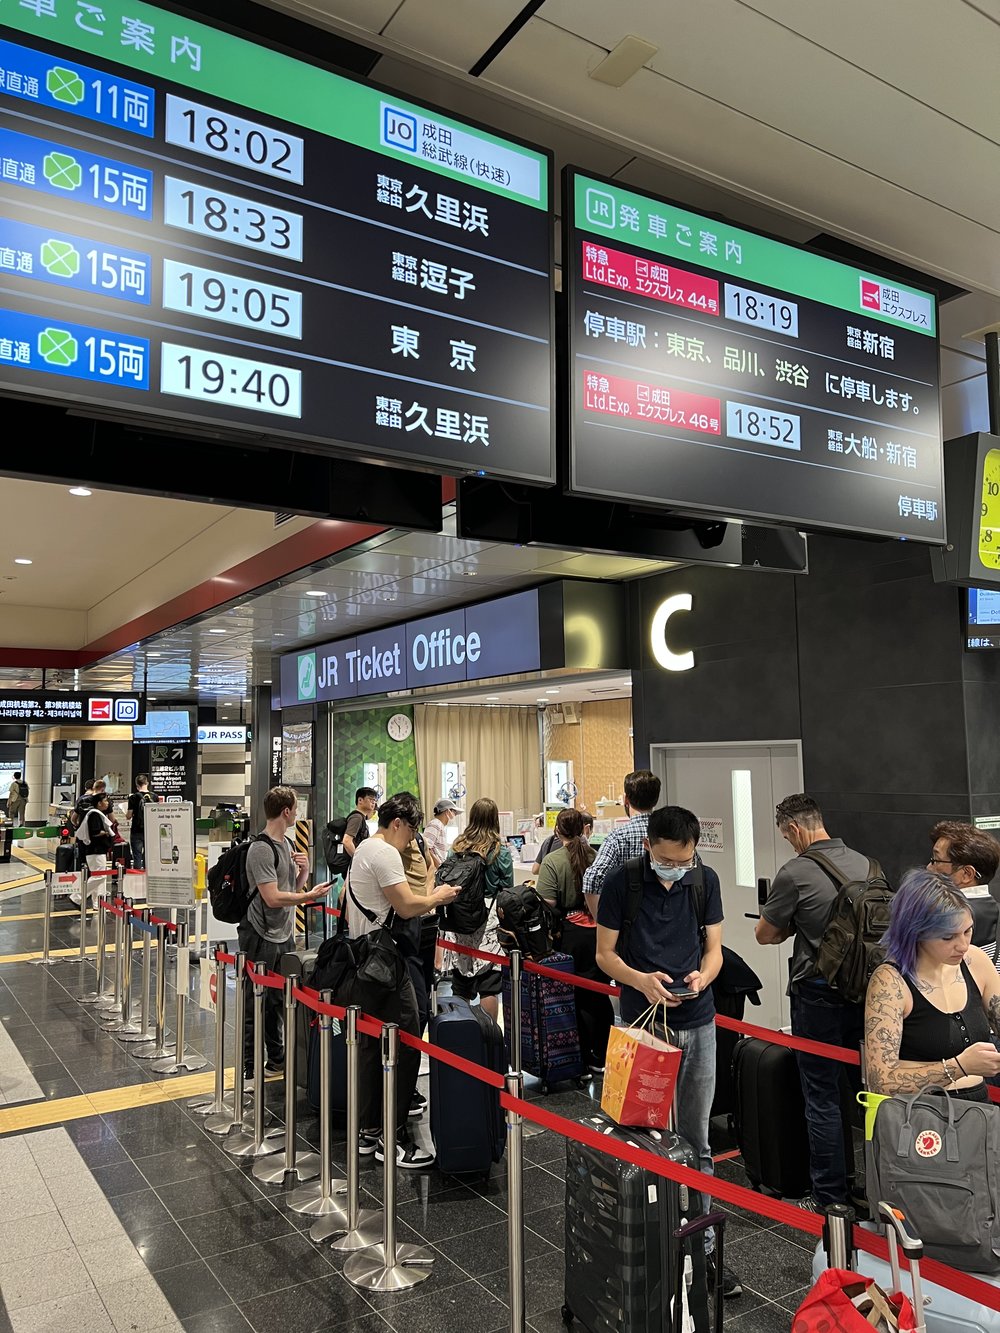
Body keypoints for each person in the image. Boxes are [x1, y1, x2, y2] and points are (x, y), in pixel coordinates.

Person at [595, 805, 741, 1298]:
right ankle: (645, 1238)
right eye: (665, 860)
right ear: (648, 848)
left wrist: (705, 975)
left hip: (697, 1021)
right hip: (641, 1025)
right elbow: (604, 955)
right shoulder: (623, 884)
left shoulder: (704, 881)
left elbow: (715, 949)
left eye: (683, 861)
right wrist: (640, 980)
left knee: (698, 1141)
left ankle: (704, 1251)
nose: (674, 869)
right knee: (641, 1136)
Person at [755, 793, 873, 1211]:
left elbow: (765, 934)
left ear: (793, 828)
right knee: (868, 1094)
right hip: (870, 994)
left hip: (819, 993)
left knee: (822, 1094)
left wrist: (796, 928)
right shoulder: (868, 865)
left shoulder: (795, 872)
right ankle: (874, 1190)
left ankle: (829, 1198)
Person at [348, 792, 459, 1167]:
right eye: (411, 830)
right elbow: (407, 905)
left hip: (366, 958)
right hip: (387, 962)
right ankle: (390, 1139)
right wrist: (438, 896)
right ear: (398, 823)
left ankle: (368, 1132)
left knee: (370, 1045)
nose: (412, 839)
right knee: (408, 1040)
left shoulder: (364, 849)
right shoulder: (384, 853)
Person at [865, 869, 1000, 1099]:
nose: (963, 945)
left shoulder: (975, 961)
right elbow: (881, 1080)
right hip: (920, 1116)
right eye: (948, 937)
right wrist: (959, 1066)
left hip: (978, 1112)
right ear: (915, 933)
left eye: (967, 931)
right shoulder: (890, 983)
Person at [238, 786, 331, 1086]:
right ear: (287, 811)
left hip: (282, 933)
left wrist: (302, 874)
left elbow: (289, 888)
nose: (297, 814)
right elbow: (272, 898)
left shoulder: (287, 843)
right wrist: (309, 896)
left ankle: (276, 1058)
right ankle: (250, 1067)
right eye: (295, 809)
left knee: (278, 1000)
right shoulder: (261, 848)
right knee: (257, 1001)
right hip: (260, 935)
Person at [535, 807, 612, 1072]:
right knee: (600, 994)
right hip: (599, 933)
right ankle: (603, 1054)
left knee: (575, 996)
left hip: (570, 935)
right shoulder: (598, 856)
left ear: (557, 831)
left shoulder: (553, 861)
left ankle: (584, 1054)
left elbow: (547, 903)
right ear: (584, 829)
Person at [448, 797, 514, 1021]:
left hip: (460, 916)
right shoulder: (499, 850)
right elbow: (507, 888)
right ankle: (489, 1035)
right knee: (489, 985)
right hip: (489, 918)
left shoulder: (457, 846)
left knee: (461, 981)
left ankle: (461, 1033)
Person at [583, 770, 661, 919]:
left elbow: (592, 879)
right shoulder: (670, 834)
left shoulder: (618, 837)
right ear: (655, 800)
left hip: (629, 923)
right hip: (668, 923)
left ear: (626, 800)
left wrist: (603, 923)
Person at [927, 821, 1000, 963]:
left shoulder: (940, 916)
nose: (929, 867)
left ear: (967, 874)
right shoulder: (994, 910)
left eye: (936, 860)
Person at [74, 792, 115, 901]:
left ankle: (98, 903)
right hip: (96, 850)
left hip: (96, 850)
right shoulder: (94, 814)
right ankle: (77, 896)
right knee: (100, 876)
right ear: (99, 803)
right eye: (105, 801)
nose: (107, 803)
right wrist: (105, 833)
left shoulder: (94, 813)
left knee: (100, 876)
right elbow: (95, 832)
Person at [423, 797, 461, 867]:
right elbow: (426, 847)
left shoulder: (439, 826)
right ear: (447, 812)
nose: (454, 816)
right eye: (454, 813)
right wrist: (438, 865)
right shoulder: (435, 824)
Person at [126, 774, 152, 871]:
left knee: (137, 854)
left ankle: (137, 876)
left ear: (137, 785)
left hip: (136, 830)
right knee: (148, 854)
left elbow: (129, 815)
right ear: (147, 783)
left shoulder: (133, 797)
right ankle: (148, 874)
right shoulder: (154, 797)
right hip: (150, 830)